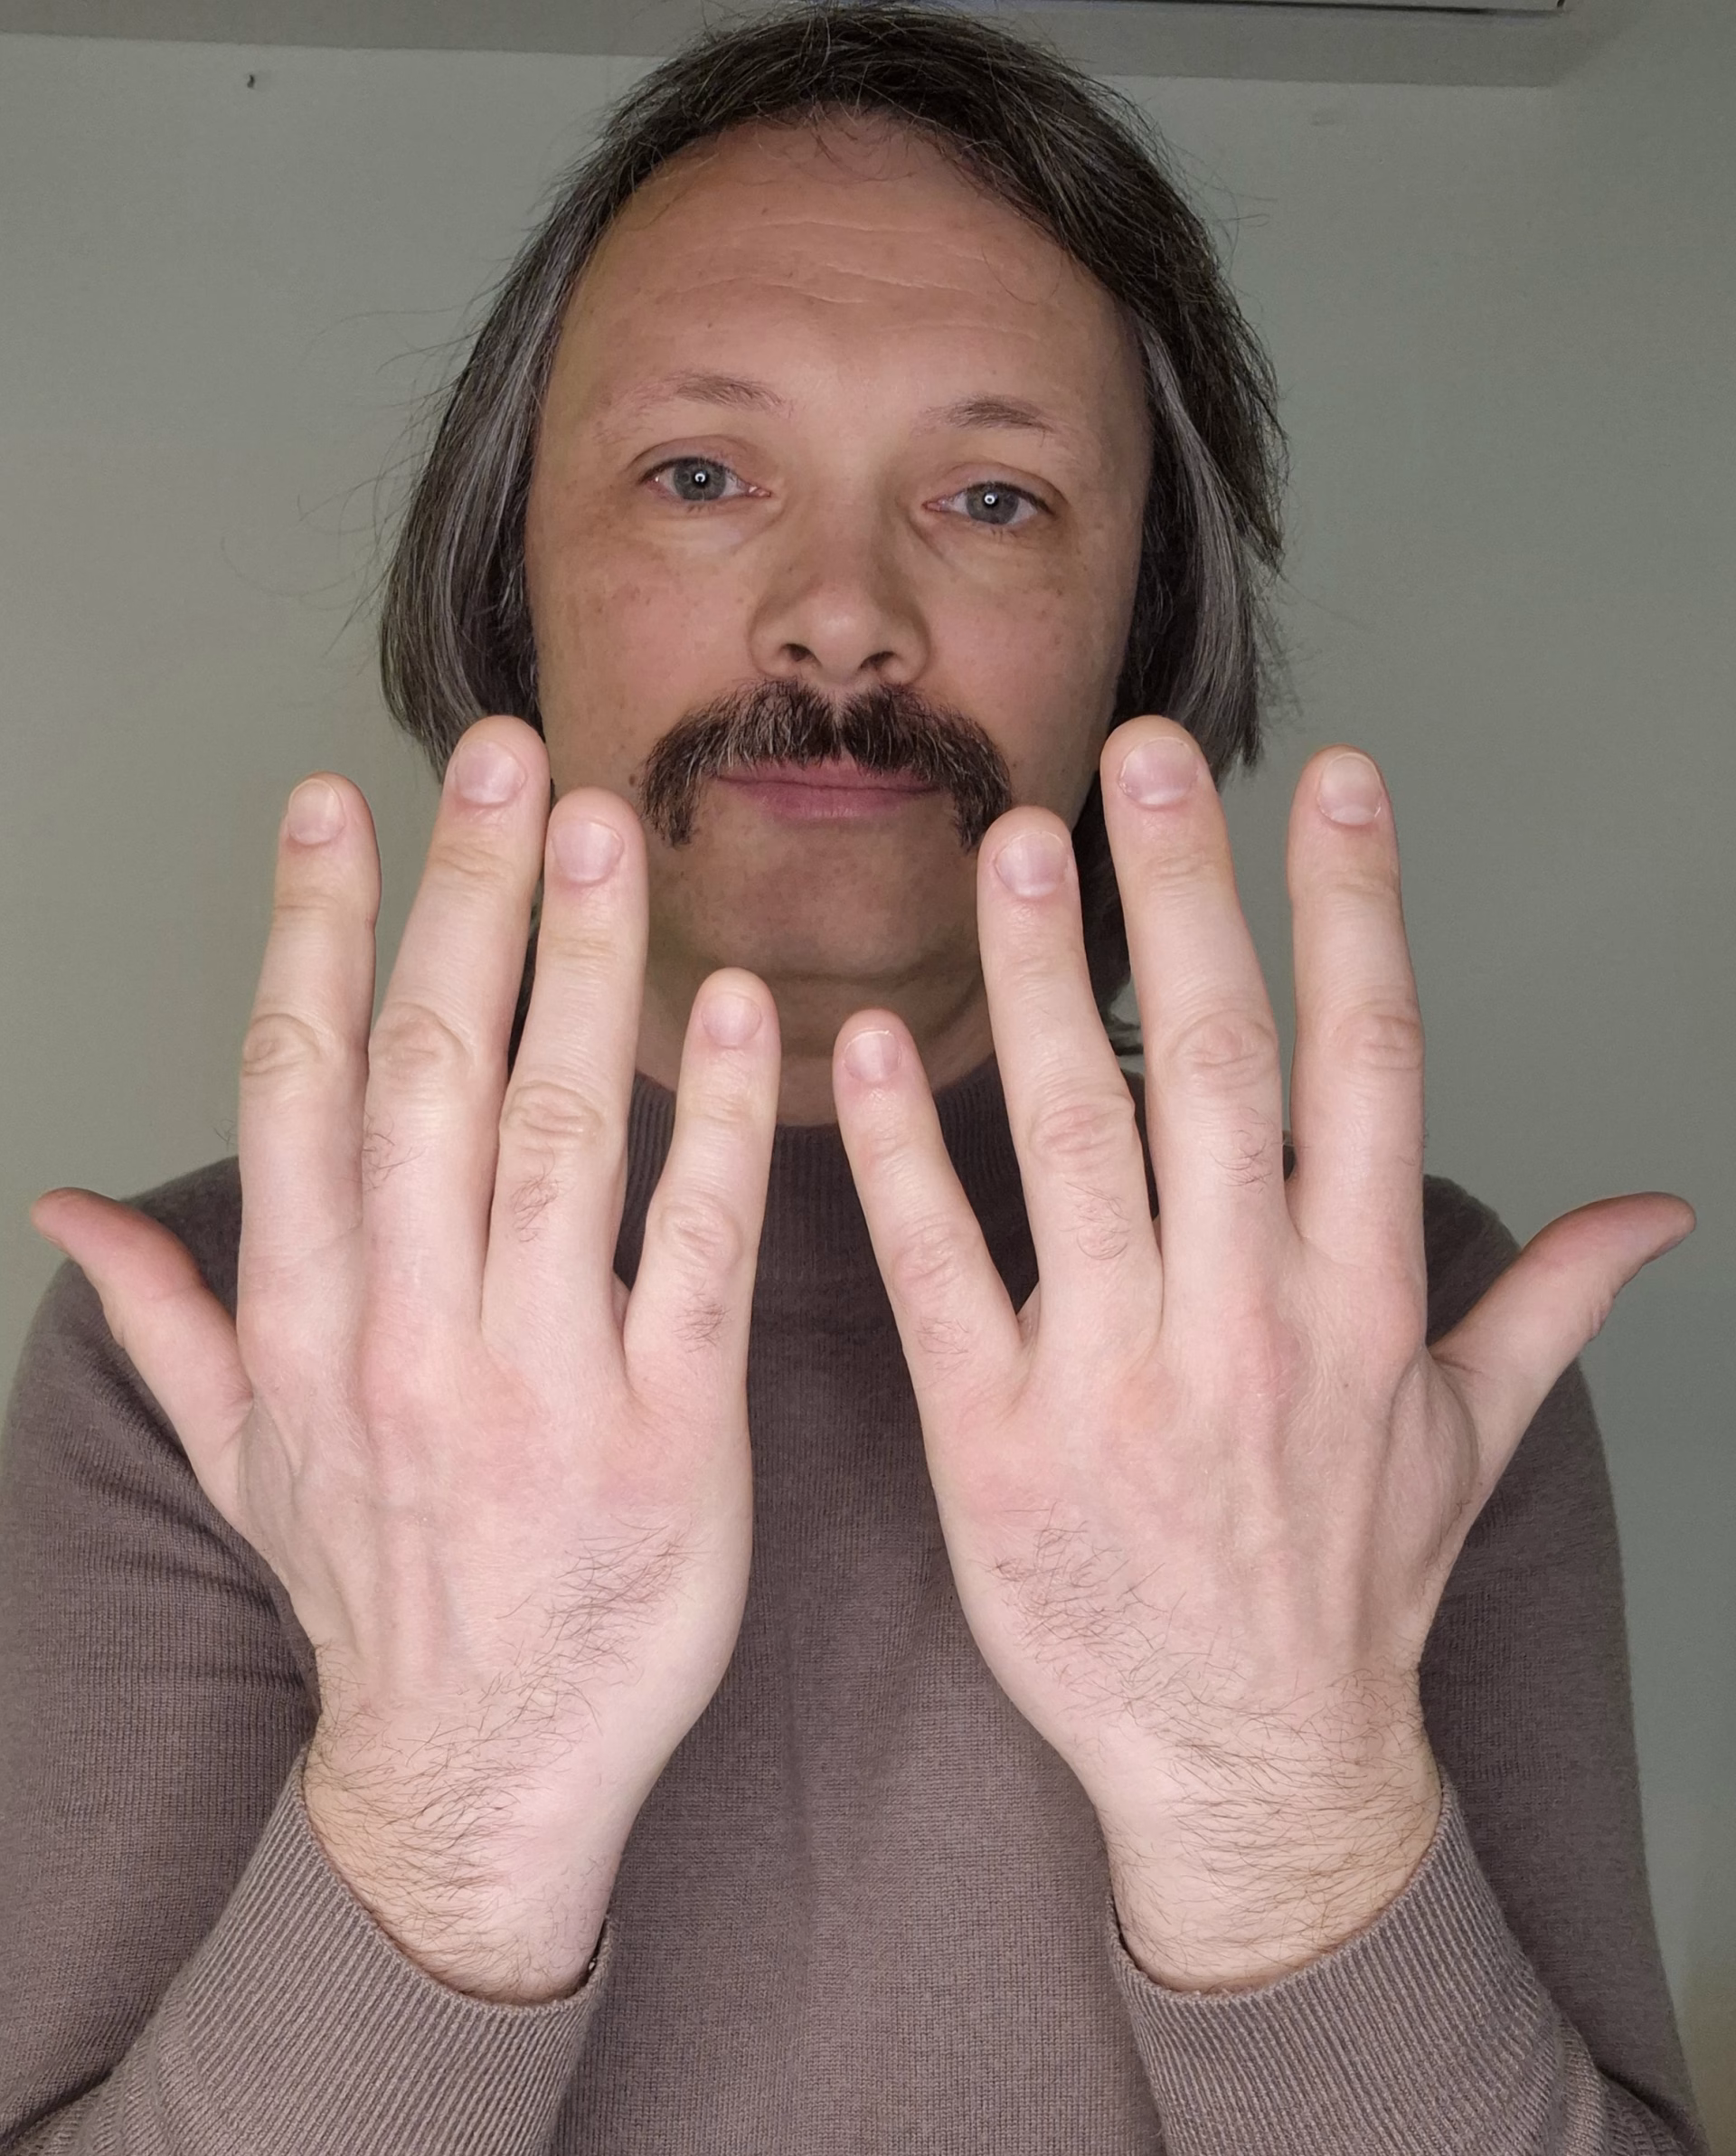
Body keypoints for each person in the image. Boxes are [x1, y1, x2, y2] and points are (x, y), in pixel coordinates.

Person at [0, 5, 1710, 2150]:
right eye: (700, 476)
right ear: (512, 579)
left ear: (1136, 631)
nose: (838, 618)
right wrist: (454, 1797)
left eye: (993, 497)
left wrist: (1277, 1801)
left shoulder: (1376, 1323)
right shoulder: (207, 1343)